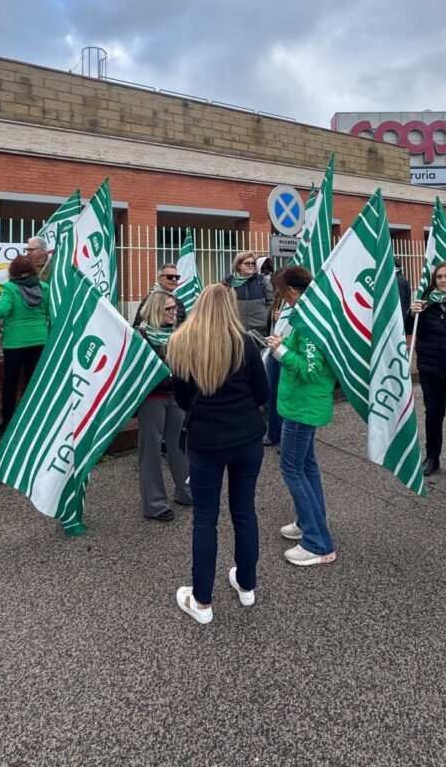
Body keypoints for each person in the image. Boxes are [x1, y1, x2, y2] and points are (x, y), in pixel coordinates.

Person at [168, 284, 269, 625]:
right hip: (247, 440)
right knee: (244, 511)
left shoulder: (181, 343)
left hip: (205, 442)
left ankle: (202, 601)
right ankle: (246, 585)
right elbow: (262, 392)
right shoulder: (245, 344)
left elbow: (181, 398)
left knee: (205, 520)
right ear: (230, 307)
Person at [267, 265, 337, 566]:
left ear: (294, 292)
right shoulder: (316, 313)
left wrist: (280, 350)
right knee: (306, 467)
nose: (282, 300)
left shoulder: (308, 321)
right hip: (303, 404)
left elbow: (310, 370)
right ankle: (309, 523)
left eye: (282, 294)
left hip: (302, 406)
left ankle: (318, 543)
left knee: (292, 469)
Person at [407, 260, 446, 485]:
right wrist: (411, 313)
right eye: (440, 277)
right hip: (431, 370)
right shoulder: (424, 304)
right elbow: (408, 329)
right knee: (433, 415)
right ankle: (432, 458)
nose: (443, 280)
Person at [135, 290, 191, 522]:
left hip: (176, 397)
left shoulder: (179, 335)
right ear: (156, 309)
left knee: (180, 447)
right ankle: (155, 504)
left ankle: (186, 492)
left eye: (175, 307)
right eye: (169, 308)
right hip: (152, 400)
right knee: (151, 452)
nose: (174, 312)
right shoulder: (140, 336)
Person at [0, 254, 50, 433]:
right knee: (33, 381)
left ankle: (7, 422)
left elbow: (3, 309)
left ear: (13, 271)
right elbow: (50, 312)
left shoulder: (10, 288)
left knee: (11, 382)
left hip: (15, 342)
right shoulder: (43, 287)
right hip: (39, 340)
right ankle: (33, 420)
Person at [224, 251, 273, 332]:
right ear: (239, 265)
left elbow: (271, 302)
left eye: (252, 263)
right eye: (247, 263)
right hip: (235, 329)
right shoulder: (228, 282)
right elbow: (221, 303)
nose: (250, 265)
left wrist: (264, 318)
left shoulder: (262, 281)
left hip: (259, 330)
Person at [263, 287, 284, 447]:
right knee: (272, 393)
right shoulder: (277, 300)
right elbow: (271, 325)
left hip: (286, 351)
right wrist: (275, 318)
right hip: (273, 349)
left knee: (283, 394)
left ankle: (285, 437)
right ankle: (274, 433)